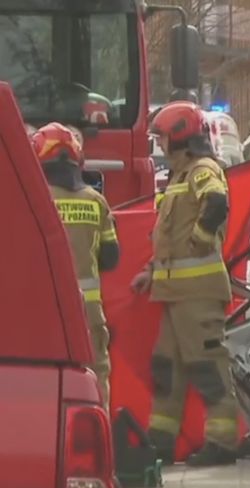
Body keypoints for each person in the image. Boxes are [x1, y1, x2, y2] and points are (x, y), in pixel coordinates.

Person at [131, 100, 238, 467]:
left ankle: (222, 443)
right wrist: (151, 271)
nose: (159, 144)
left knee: (207, 366)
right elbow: (169, 237)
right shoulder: (179, 177)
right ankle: (160, 442)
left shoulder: (203, 170)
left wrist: (201, 239)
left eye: (162, 137)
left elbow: (217, 203)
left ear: (179, 136)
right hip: (176, 294)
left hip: (198, 293)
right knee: (167, 368)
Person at [32, 123, 120, 407]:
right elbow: (111, 258)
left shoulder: (35, 199)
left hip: (43, 309)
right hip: (88, 310)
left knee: (41, 376)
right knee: (94, 375)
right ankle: (97, 428)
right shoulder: (96, 201)